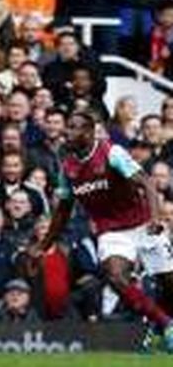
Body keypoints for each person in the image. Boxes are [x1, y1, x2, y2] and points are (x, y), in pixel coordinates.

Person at [29, 111, 173, 351]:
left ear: (89, 132)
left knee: (168, 282)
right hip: (111, 231)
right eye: (68, 127)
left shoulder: (111, 152)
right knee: (115, 275)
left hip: (143, 222)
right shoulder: (68, 168)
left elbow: (146, 181)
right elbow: (62, 213)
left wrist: (156, 217)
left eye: (74, 128)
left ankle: (154, 331)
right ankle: (166, 324)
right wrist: (42, 247)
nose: (68, 132)